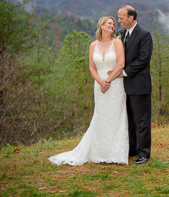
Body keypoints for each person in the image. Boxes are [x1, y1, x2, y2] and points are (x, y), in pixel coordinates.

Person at [49, 16, 129, 165]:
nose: (112, 26)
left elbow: (121, 64)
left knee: (116, 116)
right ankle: (100, 152)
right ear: (102, 26)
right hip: (99, 86)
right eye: (109, 23)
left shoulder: (117, 42)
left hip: (116, 84)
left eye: (113, 24)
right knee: (101, 116)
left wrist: (108, 80)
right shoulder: (93, 45)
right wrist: (101, 82)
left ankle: (115, 154)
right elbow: (92, 67)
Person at [109, 5, 153, 165]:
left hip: (139, 86)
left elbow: (143, 59)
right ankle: (132, 149)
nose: (118, 21)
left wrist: (123, 72)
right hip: (122, 87)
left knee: (142, 121)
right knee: (129, 120)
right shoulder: (121, 35)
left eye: (121, 18)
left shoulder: (144, 35)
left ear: (131, 18)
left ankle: (144, 153)